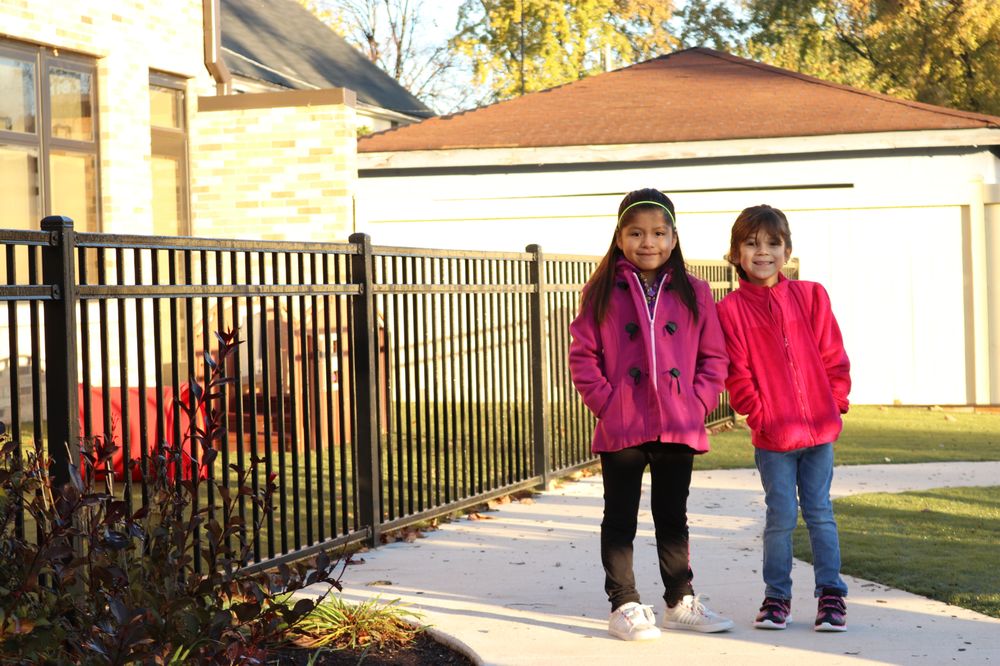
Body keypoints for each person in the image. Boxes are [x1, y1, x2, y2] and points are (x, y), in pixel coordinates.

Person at [569, 188, 733, 641]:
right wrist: (607, 402)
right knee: (619, 518)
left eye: (659, 233)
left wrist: (697, 403)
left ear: (674, 237)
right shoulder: (600, 290)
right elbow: (583, 356)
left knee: (672, 515)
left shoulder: (695, 290)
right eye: (636, 232)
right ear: (619, 237)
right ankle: (623, 604)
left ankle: (679, 601)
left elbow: (714, 358)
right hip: (623, 422)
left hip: (677, 422)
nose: (648, 243)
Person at [716, 204, 851, 633]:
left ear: (786, 250)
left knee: (820, 512)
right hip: (773, 438)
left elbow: (833, 356)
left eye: (773, 243)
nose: (763, 252)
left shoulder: (811, 296)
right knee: (780, 517)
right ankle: (777, 598)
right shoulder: (731, 310)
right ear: (736, 252)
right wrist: (762, 415)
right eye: (752, 244)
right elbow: (737, 374)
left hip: (819, 433)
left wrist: (835, 402)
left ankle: (831, 597)